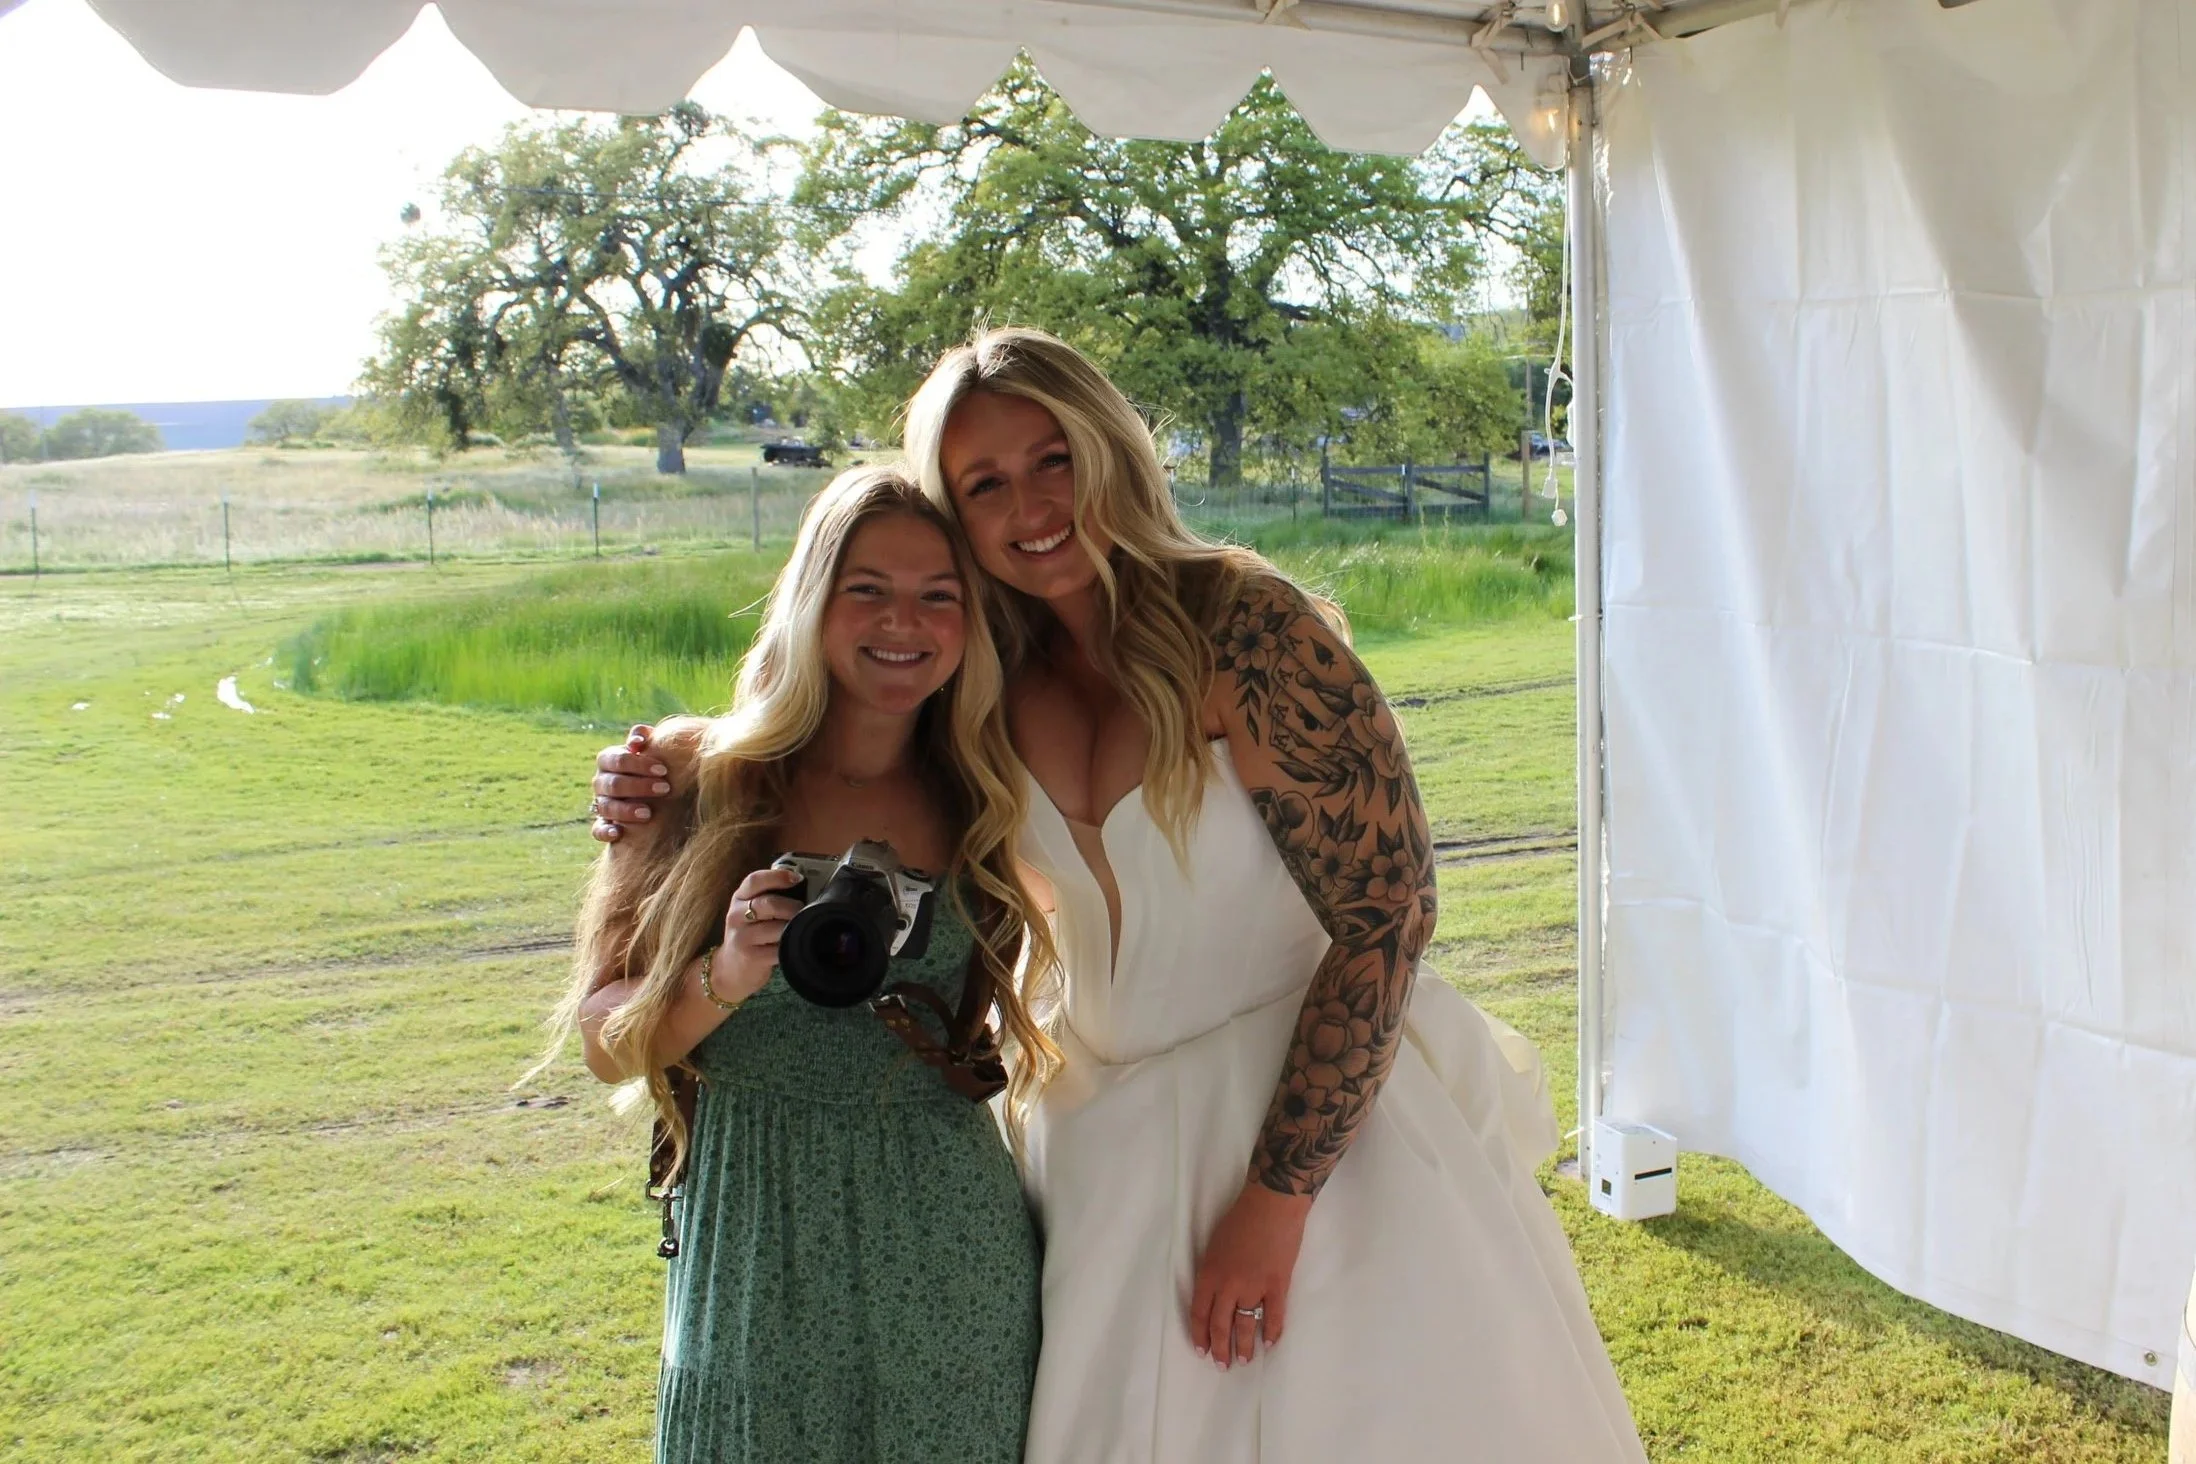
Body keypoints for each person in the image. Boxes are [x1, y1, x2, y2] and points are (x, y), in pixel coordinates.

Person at [596, 330, 1647, 1461]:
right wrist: (665, 764)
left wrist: (1276, 1204)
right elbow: (838, 711)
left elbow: (1388, 914)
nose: (1029, 507)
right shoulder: (982, 677)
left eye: (1053, 459)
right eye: (982, 485)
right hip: (1101, 1148)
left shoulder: (1247, 630)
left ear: (1113, 448)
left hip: (1317, 1136)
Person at [552, 465, 1050, 1463]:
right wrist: (722, 975)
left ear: (972, 622)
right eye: (866, 587)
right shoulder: (698, 779)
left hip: (950, 1249)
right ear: (811, 596)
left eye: (938, 595)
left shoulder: (994, 792)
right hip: (752, 1242)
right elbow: (606, 1046)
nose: (901, 621)